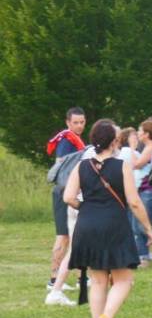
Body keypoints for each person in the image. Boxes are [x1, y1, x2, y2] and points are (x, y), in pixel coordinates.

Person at [63, 119, 152, 318]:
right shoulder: (121, 165)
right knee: (124, 280)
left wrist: (85, 207)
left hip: (87, 225)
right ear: (114, 142)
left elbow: (68, 197)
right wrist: (148, 228)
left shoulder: (81, 166)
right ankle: (107, 315)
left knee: (98, 281)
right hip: (114, 224)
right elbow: (133, 201)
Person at [47, 107, 86, 291]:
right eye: (75, 122)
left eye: (82, 122)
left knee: (75, 236)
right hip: (64, 192)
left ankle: (80, 278)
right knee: (63, 236)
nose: (79, 126)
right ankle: (54, 280)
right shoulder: (66, 140)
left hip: (69, 192)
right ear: (68, 122)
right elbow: (63, 171)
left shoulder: (75, 140)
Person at [131, 119, 152, 264]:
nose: (138, 133)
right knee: (139, 223)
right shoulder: (147, 147)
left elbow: (136, 165)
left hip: (149, 190)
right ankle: (143, 254)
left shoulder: (151, 147)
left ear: (147, 134)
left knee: (141, 223)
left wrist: (131, 148)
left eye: (140, 131)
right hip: (144, 189)